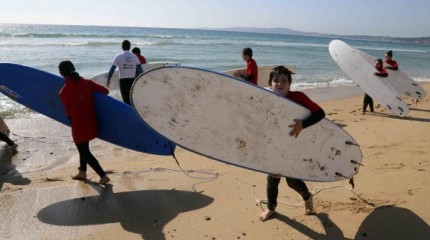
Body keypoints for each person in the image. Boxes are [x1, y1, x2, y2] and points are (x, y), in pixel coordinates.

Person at [259, 66, 325, 222]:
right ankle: (270, 208)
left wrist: (303, 124)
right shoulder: (265, 98)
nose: (279, 84)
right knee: (272, 179)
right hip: (274, 144)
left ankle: (307, 197)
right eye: (275, 80)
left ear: (290, 84)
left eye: (284, 80)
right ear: (270, 83)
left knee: (291, 181)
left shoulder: (299, 97)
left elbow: (320, 113)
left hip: (293, 144)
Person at [58, 60, 110, 184]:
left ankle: (103, 175)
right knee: (84, 148)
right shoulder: (87, 83)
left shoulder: (63, 92)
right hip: (91, 122)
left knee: (84, 152)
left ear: (61, 73)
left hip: (78, 126)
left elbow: (68, 114)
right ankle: (82, 172)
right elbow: (106, 91)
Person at [107, 40, 143, 105]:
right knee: (132, 99)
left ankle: (129, 112)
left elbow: (112, 69)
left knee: (126, 100)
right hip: (132, 80)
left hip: (123, 81)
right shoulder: (135, 57)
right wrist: (141, 81)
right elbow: (141, 70)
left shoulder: (118, 56)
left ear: (122, 47)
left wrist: (108, 79)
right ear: (129, 47)